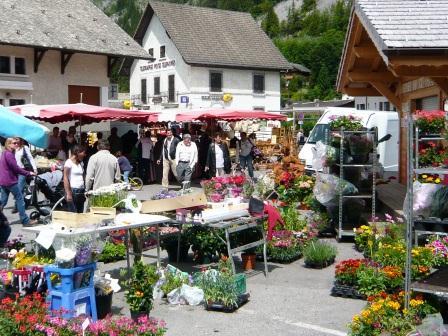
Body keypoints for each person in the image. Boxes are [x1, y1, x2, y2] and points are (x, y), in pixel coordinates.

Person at [0, 138, 37, 226]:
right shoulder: (9, 154)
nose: (16, 144)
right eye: (14, 143)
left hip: (3, 181)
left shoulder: (4, 153)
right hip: (10, 181)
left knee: (3, 201)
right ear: (8, 144)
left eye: (17, 143)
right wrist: (29, 173)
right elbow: (16, 168)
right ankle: (25, 221)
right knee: (20, 199)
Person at [13, 138, 37, 213]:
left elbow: (30, 158)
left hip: (22, 171)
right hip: (14, 171)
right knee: (19, 189)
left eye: (17, 139)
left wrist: (35, 168)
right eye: (15, 139)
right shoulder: (13, 147)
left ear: (21, 140)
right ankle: (25, 202)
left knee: (19, 188)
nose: (15, 141)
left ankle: (17, 206)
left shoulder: (25, 147)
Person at [63, 145, 86, 213]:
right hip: (73, 191)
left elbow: (83, 176)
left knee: (80, 212)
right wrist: (68, 193)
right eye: (83, 153)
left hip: (81, 191)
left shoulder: (81, 163)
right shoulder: (68, 162)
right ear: (77, 152)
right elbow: (65, 177)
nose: (84, 155)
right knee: (73, 212)